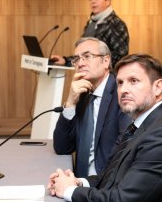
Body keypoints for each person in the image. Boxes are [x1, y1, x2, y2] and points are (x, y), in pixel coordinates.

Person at [48, 54, 162, 202]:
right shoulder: (140, 124)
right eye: (120, 83)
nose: (124, 89)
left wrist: (70, 191)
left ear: (158, 87)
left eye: (134, 81)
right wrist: (79, 183)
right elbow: (110, 177)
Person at [53, 37, 131, 178]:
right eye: (76, 59)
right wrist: (70, 103)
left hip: (105, 184)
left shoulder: (122, 94)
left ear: (106, 61)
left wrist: (86, 186)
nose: (80, 63)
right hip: (79, 182)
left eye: (87, 56)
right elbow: (62, 147)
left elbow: (125, 152)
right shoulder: (82, 95)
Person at [51, 0, 129, 68]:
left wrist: (94, 63)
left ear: (108, 1)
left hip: (107, 77)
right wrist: (66, 60)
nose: (93, 1)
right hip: (89, 74)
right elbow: (84, 53)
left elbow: (120, 57)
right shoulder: (91, 22)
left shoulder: (116, 24)